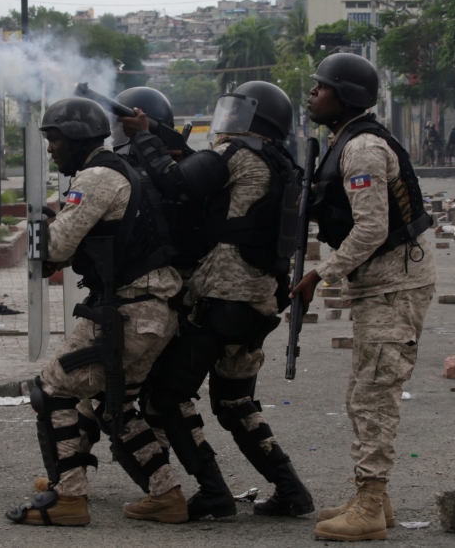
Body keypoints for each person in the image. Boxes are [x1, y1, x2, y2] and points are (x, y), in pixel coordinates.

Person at [122, 81, 315, 521]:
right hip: (259, 300)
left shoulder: (239, 154)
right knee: (234, 402)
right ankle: (290, 490)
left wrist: (142, 137)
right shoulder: (280, 162)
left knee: (169, 396)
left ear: (252, 117)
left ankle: (213, 491)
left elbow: (175, 184)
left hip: (221, 296)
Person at [5, 98, 188, 526]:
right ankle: (167, 495)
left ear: (75, 138)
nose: (51, 149)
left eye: (54, 139)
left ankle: (69, 498)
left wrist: (38, 232)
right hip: (152, 312)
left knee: (51, 390)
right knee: (114, 403)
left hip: (127, 315)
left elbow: (58, 246)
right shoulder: (121, 170)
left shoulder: (97, 175)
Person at [292, 53, 436, 542]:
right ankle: (373, 497)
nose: (313, 94)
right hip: (380, 283)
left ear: (346, 96)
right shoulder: (344, 141)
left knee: (374, 395)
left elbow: (373, 227)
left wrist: (321, 275)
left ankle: (371, 505)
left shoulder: (364, 149)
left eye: (322, 87)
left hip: (396, 285)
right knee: (362, 393)